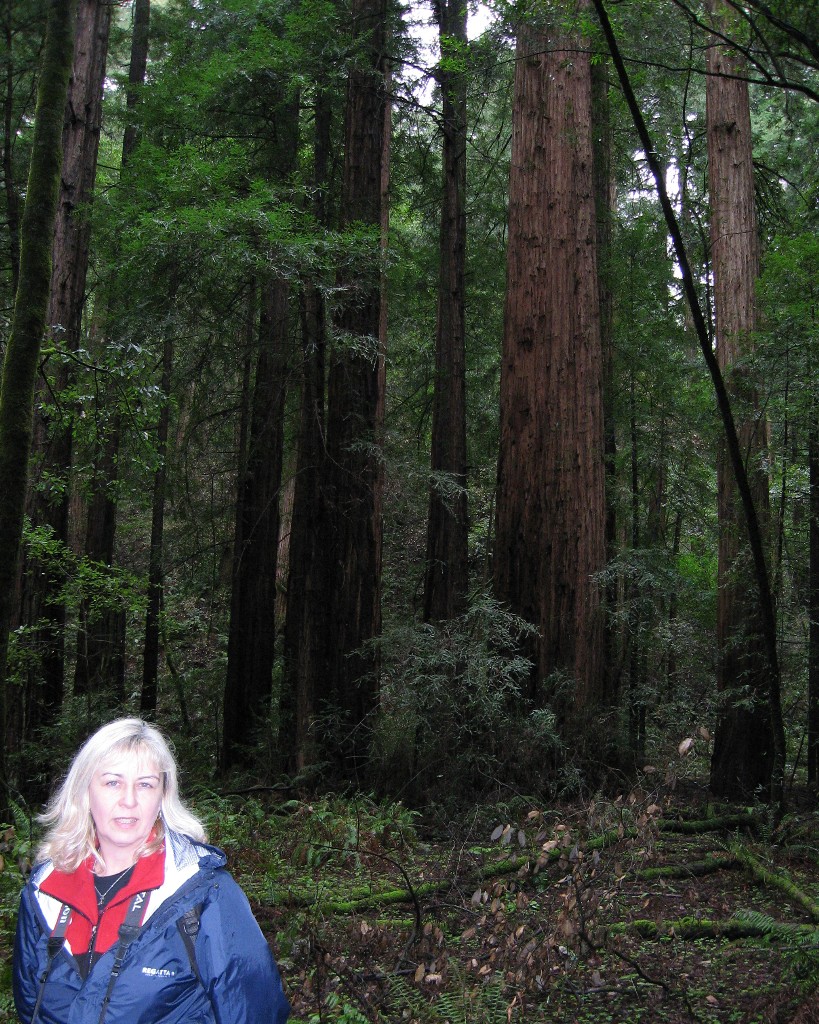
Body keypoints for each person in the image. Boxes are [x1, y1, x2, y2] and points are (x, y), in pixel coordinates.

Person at [13, 717, 291, 1024]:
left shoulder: (204, 894)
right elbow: (29, 1008)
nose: (129, 800)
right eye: (112, 782)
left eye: (145, 784)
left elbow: (254, 1012)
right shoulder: (44, 894)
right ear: (85, 790)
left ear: (162, 797)